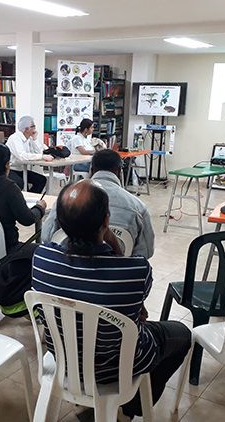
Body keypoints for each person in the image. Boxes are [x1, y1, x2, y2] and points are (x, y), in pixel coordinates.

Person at [32, 180, 191, 420]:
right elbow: (140, 310)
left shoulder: (41, 259)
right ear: (106, 220)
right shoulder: (135, 271)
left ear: (59, 223)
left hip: (64, 359)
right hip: (119, 368)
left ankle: (88, 406)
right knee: (181, 334)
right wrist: (112, 241)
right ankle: (131, 409)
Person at [42, 149, 155, 258]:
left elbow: (47, 236)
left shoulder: (68, 198)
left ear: (91, 171)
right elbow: (146, 252)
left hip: (68, 269)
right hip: (114, 273)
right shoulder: (138, 207)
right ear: (119, 172)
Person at [5, 115, 52, 193]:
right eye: (33, 126)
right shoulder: (15, 138)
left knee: (41, 180)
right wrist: (42, 156)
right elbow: (22, 156)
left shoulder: (29, 138)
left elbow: (39, 152)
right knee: (21, 183)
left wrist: (34, 139)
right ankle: (24, 199)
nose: (35, 129)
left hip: (23, 169)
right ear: (27, 129)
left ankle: (31, 199)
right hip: (11, 170)